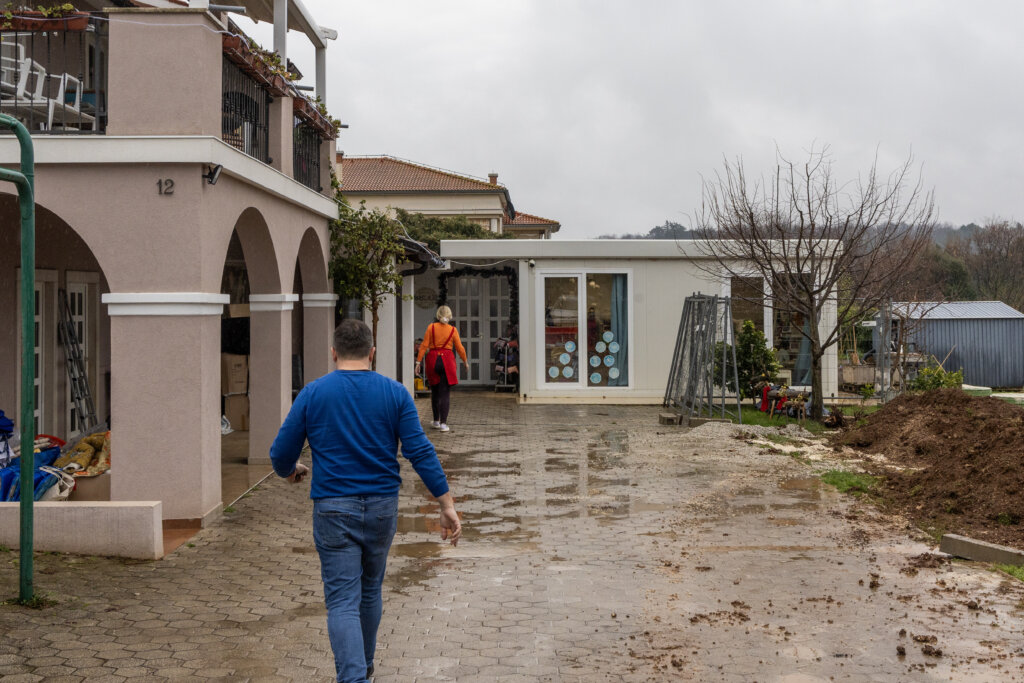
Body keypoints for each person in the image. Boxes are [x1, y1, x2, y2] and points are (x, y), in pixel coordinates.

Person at [270, 319, 462, 683]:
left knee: (342, 599)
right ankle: (366, 670)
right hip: (381, 507)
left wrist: (292, 469)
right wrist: (446, 503)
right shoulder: (395, 393)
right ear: (372, 353)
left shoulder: (313, 393)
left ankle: (355, 677)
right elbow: (419, 451)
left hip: (332, 507)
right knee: (370, 590)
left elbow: (280, 454)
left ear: (334, 353)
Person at [415, 305, 468, 432]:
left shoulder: (431, 327)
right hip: (447, 361)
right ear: (449, 315)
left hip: (433, 360)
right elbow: (460, 348)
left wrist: (418, 362)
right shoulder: (452, 330)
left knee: (435, 392)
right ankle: (444, 424)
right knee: (445, 393)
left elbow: (423, 346)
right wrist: (465, 361)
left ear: (438, 315)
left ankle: (436, 421)